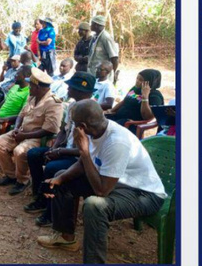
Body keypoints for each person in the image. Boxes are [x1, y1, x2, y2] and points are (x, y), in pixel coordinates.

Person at [37, 99, 165, 262]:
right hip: (117, 184)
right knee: (63, 177)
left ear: (82, 126)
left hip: (145, 194)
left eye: (75, 124)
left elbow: (101, 191)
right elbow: (83, 164)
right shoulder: (96, 130)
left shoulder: (116, 142)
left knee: (94, 206)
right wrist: (59, 179)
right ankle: (65, 237)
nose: (74, 127)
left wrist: (83, 151)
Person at [24, 72, 96, 226]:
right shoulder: (72, 106)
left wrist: (60, 152)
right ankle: (41, 197)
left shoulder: (91, 112)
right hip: (66, 150)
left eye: (71, 87)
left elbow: (86, 150)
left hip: (80, 159)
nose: (68, 89)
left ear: (82, 91)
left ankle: (51, 212)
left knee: (51, 168)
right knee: (34, 154)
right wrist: (55, 147)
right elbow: (64, 130)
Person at [0, 67, 62, 195]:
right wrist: (18, 128)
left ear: (38, 87)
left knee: (19, 151)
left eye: (31, 85)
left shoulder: (53, 103)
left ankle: (22, 181)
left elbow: (50, 129)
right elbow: (21, 114)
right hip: (22, 132)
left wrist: (25, 135)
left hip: (38, 138)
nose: (29, 87)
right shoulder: (33, 97)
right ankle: (11, 176)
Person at [87, 15, 119, 82]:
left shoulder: (106, 37)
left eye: (92, 24)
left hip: (102, 74)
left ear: (96, 25)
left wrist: (112, 72)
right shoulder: (94, 37)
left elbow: (114, 58)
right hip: (92, 72)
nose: (90, 26)